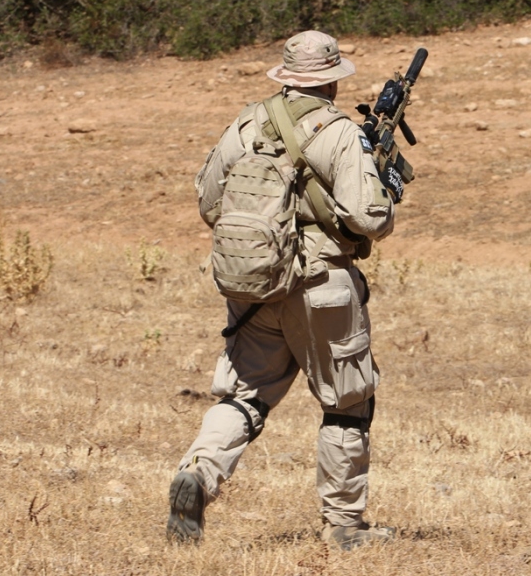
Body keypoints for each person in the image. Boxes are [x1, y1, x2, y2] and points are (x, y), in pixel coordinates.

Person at [167, 30, 402, 550]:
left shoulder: (248, 121)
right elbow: (368, 216)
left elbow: (209, 201)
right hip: (322, 286)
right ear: (333, 81)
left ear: (287, 75)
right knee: (347, 403)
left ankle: (199, 475)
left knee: (247, 396)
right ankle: (344, 526)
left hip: (254, 286)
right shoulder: (340, 131)